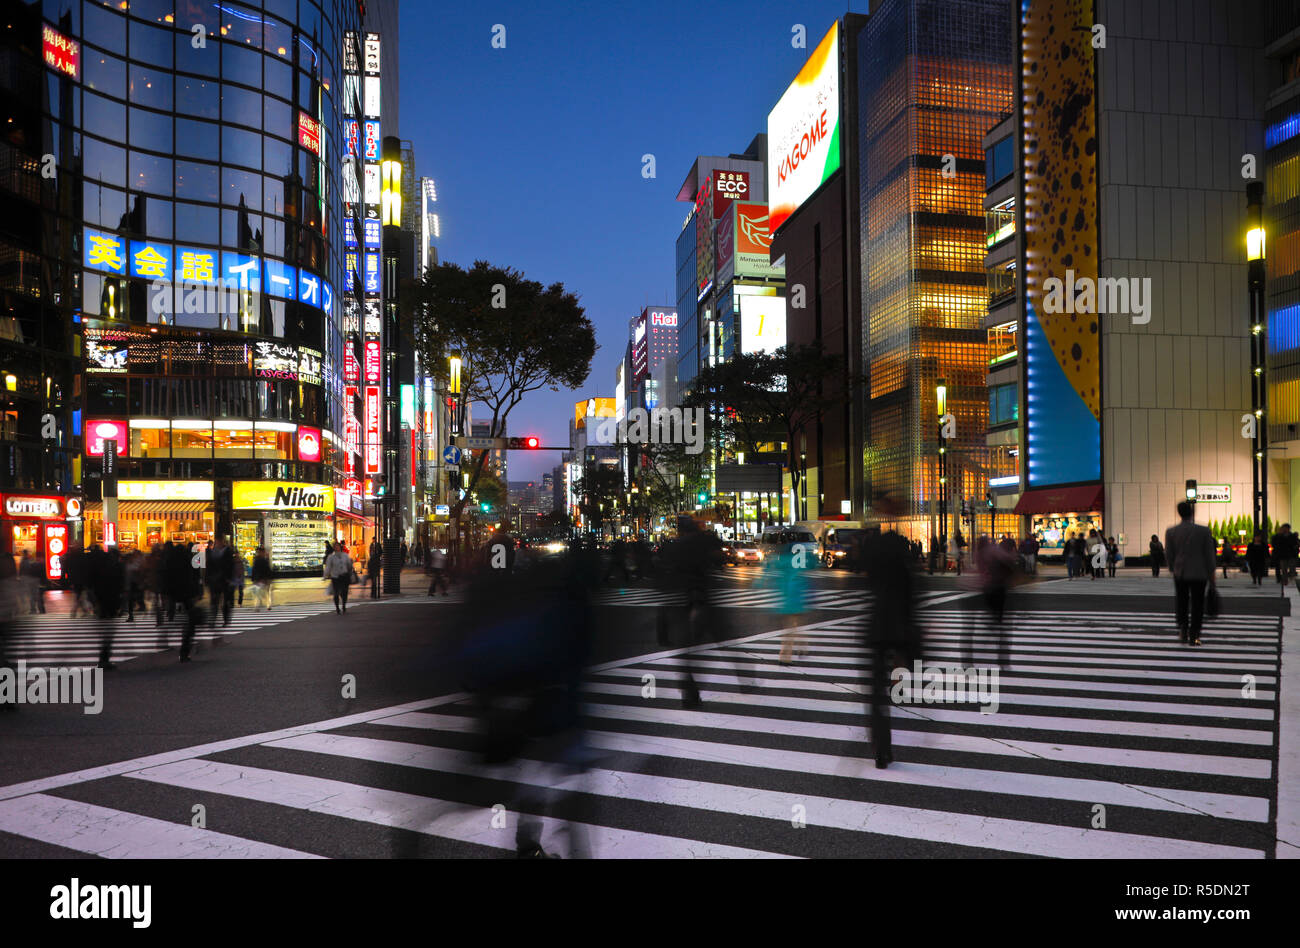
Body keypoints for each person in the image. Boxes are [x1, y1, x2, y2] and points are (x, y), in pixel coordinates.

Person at [860, 506, 921, 770]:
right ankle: (885, 747)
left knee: (875, 692)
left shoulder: (875, 568)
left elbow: (866, 586)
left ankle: (881, 750)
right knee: (893, 687)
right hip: (900, 631)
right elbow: (912, 602)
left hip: (877, 631)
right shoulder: (905, 571)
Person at [1165, 501, 1216, 646]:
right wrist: (1212, 575)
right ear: (1192, 512)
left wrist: (1173, 568)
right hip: (1200, 573)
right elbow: (1209, 555)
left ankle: (1182, 630)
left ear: (1179, 513)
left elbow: (1169, 554)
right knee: (1197, 604)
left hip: (1180, 572)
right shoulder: (1204, 531)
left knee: (1181, 602)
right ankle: (1195, 635)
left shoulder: (1171, 531)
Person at [205, 535, 235, 628]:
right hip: (215, 580)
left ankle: (225, 620)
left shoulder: (226, 551)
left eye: (218, 541)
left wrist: (229, 578)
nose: (217, 543)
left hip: (224, 580)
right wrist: (207, 579)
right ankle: (213, 621)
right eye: (216, 541)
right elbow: (208, 566)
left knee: (224, 602)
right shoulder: (212, 552)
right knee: (214, 602)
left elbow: (230, 566)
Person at [325, 541, 354, 614]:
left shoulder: (345, 555)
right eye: (335, 546)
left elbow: (349, 565)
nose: (336, 548)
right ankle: (337, 607)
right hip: (335, 577)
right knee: (336, 593)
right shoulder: (331, 557)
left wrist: (350, 570)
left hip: (344, 576)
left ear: (340, 547)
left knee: (344, 592)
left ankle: (344, 605)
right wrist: (325, 575)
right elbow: (328, 567)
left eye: (337, 546)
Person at [251, 546, 273, 610]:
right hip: (262, 579)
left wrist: (254, 579)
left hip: (260, 579)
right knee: (265, 593)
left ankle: (258, 606)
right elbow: (267, 570)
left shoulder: (258, 560)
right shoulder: (262, 560)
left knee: (260, 593)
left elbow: (254, 570)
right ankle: (265, 605)